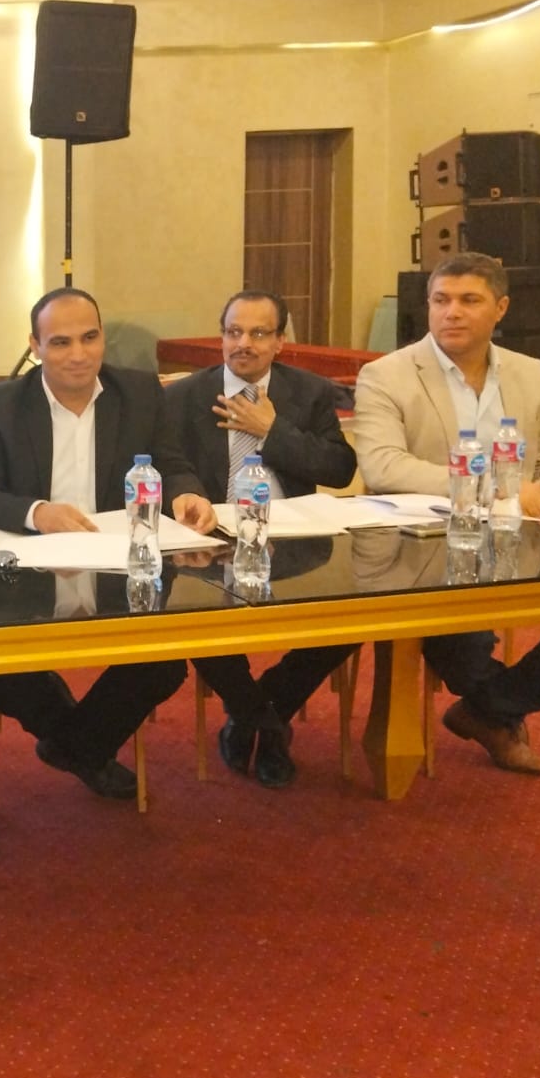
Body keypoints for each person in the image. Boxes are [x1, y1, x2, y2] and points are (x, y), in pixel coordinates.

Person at [0, 288, 216, 798]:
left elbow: (171, 463)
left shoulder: (140, 392)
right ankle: (85, 746)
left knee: (162, 663)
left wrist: (187, 493)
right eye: (60, 342)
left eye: (90, 337)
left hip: (119, 564)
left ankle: (72, 746)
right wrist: (38, 512)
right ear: (34, 345)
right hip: (30, 566)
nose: (78, 354)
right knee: (0, 666)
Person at [353, 251, 540, 774]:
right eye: (441, 300)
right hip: (426, 547)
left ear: (501, 308)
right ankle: (495, 715)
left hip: (524, 539)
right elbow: (384, 466)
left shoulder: (530, 373)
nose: (452, 312)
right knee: (456, 640)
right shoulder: (386, 374)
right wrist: (499, 493)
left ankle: (490, 710)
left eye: (469, 300)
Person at [163, 290, 359, 788]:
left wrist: (273, 430)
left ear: (280, 341)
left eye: (257, 333)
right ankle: (264, 722)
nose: (243, 343)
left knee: (352, 617)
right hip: (212, 540)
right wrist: (191, 497)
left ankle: (258, 709)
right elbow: (168, 465)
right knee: (192, 617)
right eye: (233, 332)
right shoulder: (185, 396)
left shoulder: (310, 392)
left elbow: (339, 468)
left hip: (295, 540)